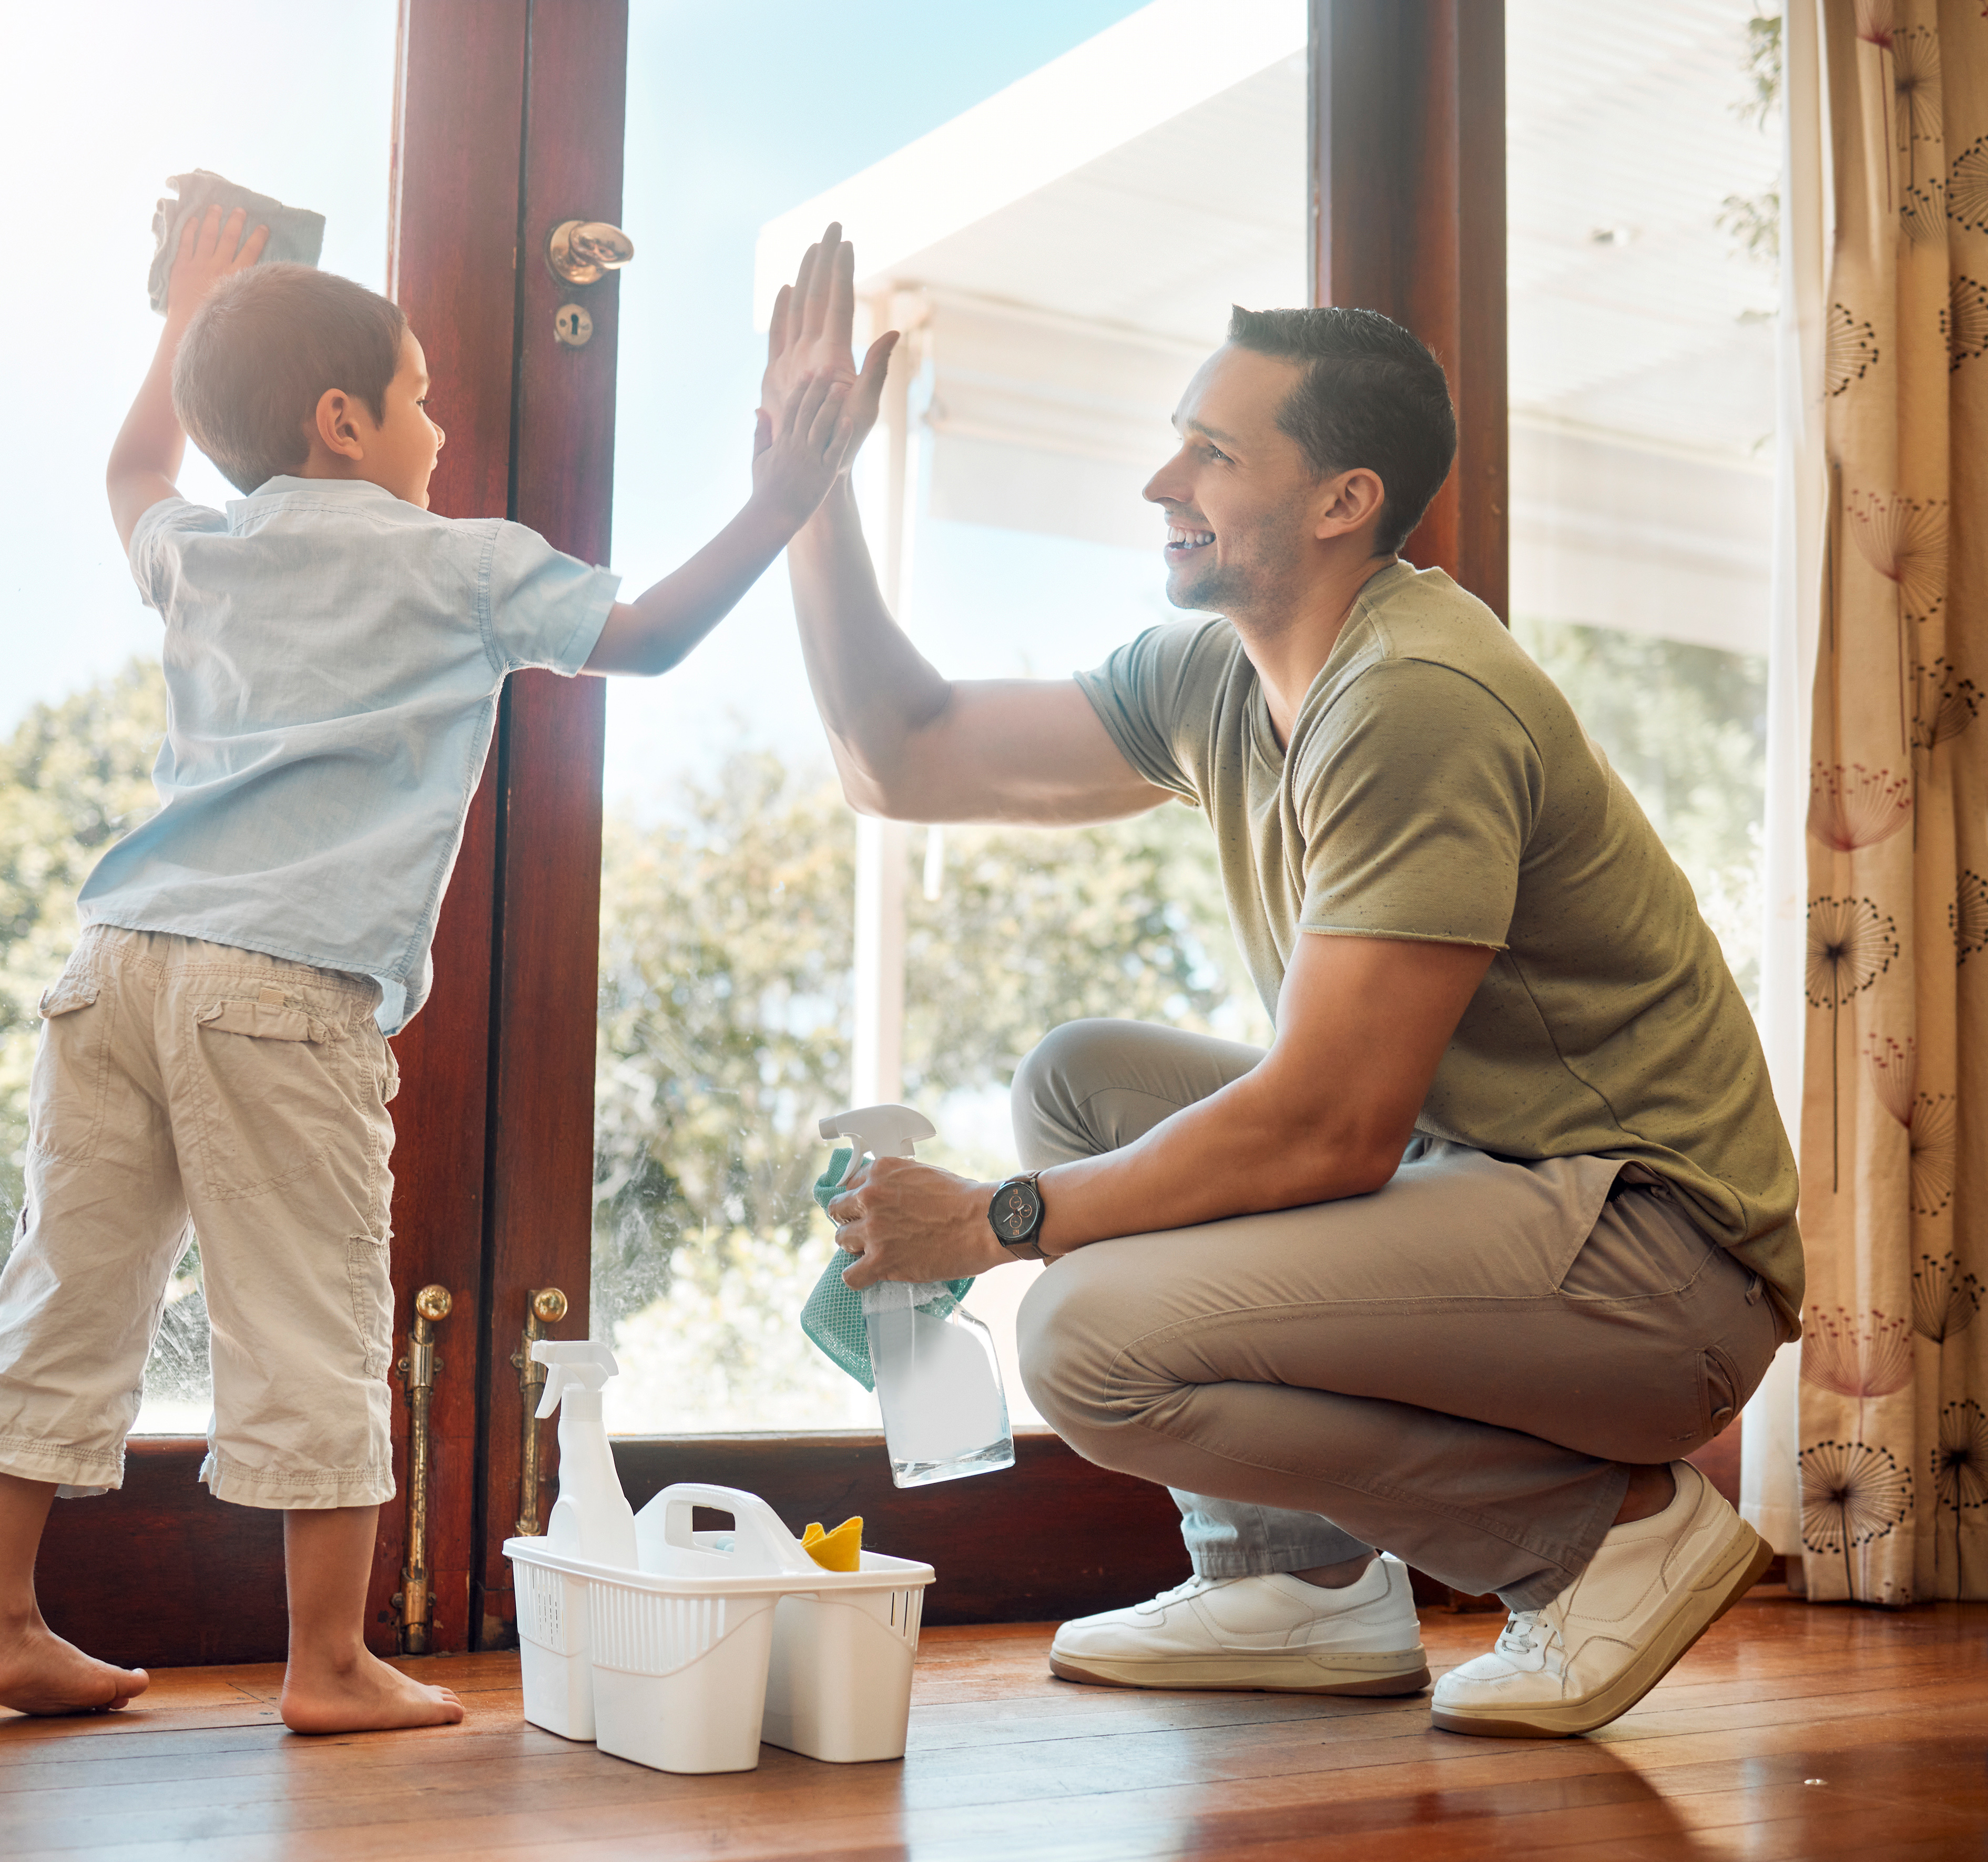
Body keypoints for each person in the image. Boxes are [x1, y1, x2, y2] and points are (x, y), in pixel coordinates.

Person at [769, 228, 1795, 1739]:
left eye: (1209, 453)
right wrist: (808, 496)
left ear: (1341, 502)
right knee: (1082, 1081)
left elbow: (1328, 1133)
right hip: (1492, 1200)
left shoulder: (1414, 699)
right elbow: (900, 754)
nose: (1159, 486)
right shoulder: (1218, 678)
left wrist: (994, 1224)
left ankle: (1601, 1545)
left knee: (1084, 1340)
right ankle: (1295, 1583)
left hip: (1659, 1268)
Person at [0, 206, 857, 1733]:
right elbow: (651, 637)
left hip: (113, 968)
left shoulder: (207, 553)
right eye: (422, 395)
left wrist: (189, 313)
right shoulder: (462, 567)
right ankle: (330, 1663)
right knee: (313, 1319)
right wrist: (783, 497)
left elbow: (130, 473)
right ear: (346, 420)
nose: (441, 425)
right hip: (282, 993)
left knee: (65, 1289)